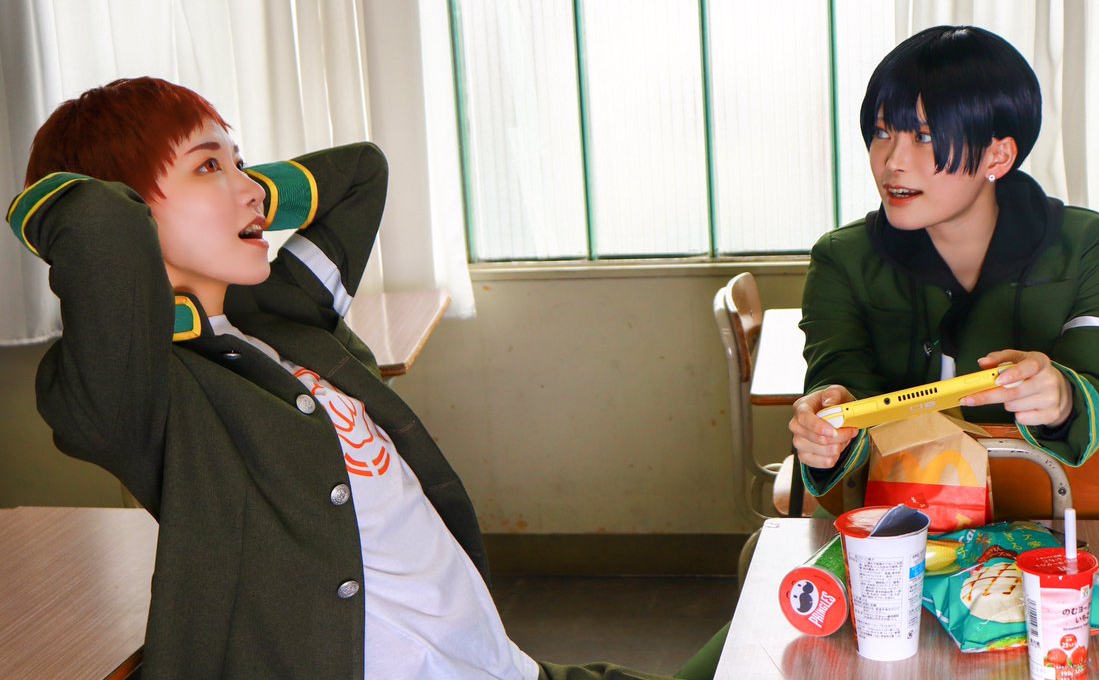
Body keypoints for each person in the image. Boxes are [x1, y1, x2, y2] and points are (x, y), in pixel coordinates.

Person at [8, 77, 718, 680]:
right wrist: (103, 205)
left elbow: (360, 173)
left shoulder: (282, 316)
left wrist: (235, 188)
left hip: (500, 666)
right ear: (132, 212)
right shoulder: (148, 392)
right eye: (207, 167)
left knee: (771, 617)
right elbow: (97, 224)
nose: (250, 190)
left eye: (242, 162)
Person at [786, 25, 1099, 679]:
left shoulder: (1089, 248)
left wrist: (1060, 396)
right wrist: (826, 425)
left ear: (998, 155)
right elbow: (836, 382)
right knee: (751, 659)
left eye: (925, 136)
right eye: (883, 131)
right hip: (884, 548)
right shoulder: (843, 259)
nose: (893, 161)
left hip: (1052, 542)